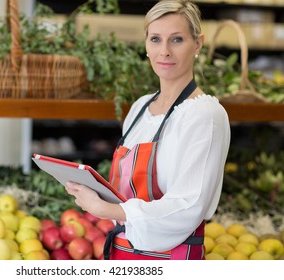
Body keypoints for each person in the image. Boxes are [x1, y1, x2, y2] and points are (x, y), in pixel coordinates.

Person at [65, 0, 231, 260]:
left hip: (169, 258)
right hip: (122, 253)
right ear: (145, 44)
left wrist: (107, 210)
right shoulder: (141, 107)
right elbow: (125, 190)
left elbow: (188, 207)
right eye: (155, 39)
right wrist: (90, 190)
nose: (164, 51)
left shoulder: (204, 115)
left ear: (197, 44)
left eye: (176, 40)